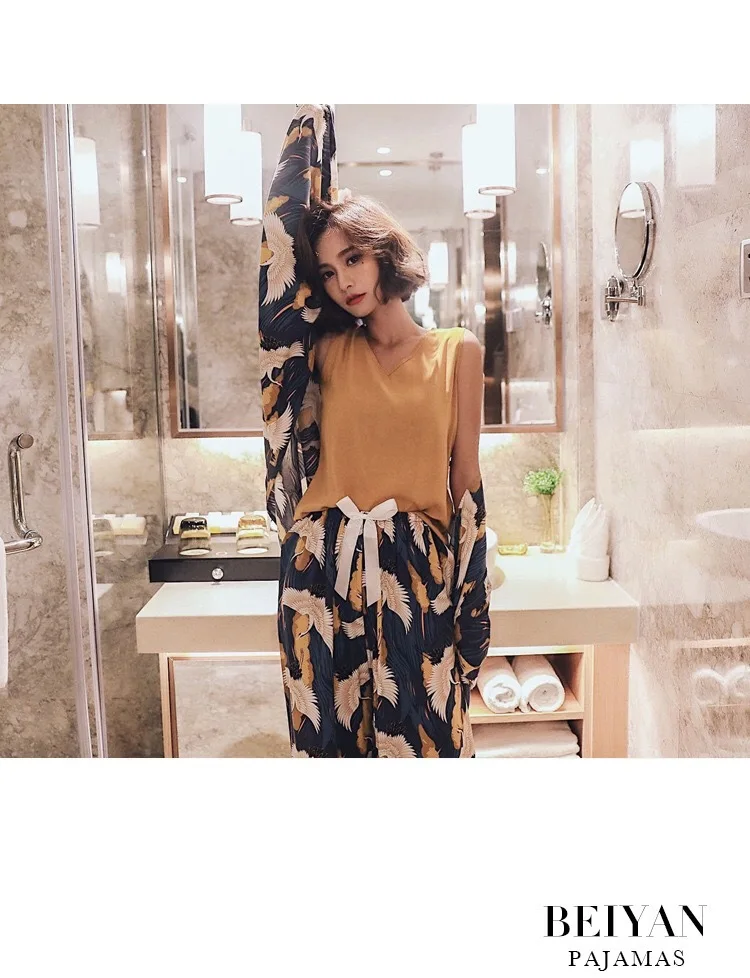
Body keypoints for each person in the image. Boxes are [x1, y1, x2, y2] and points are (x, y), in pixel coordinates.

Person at [259, 104, 490, 758]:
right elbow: (276, 276)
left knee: (424, 749)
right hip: (321, 569)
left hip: (416, 577)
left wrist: (471, 616)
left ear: (383, 251)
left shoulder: (457, 352)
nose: (344, 281)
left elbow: (466, 487)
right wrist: (310, 136)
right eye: (330, 272)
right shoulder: (326, 352)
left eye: (353, 258)